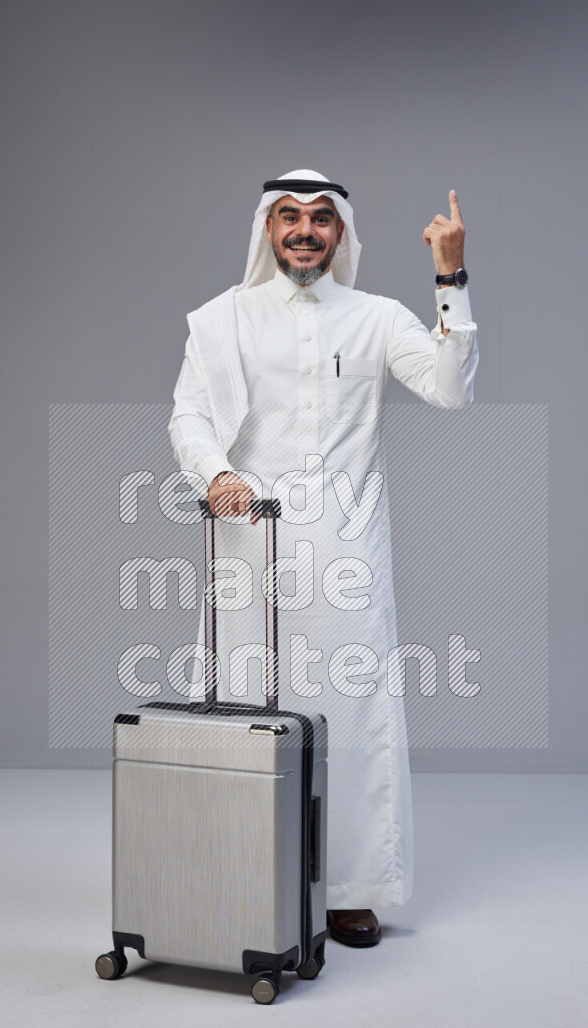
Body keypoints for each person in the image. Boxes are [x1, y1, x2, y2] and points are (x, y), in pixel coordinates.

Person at [168, 169, 478, 947]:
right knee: (244, 710)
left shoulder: (375, 318)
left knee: (351, 712)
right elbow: (188, 413)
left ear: (340, 233)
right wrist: (217, 475)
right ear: (268, 230)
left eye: (320, 219)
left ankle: (347, 888)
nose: (304, 231)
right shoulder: (222, 319)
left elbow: (450, 390)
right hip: (250, 540)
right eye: (288, 217)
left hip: (346, 546)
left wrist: (451, 276)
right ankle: (244, 871)